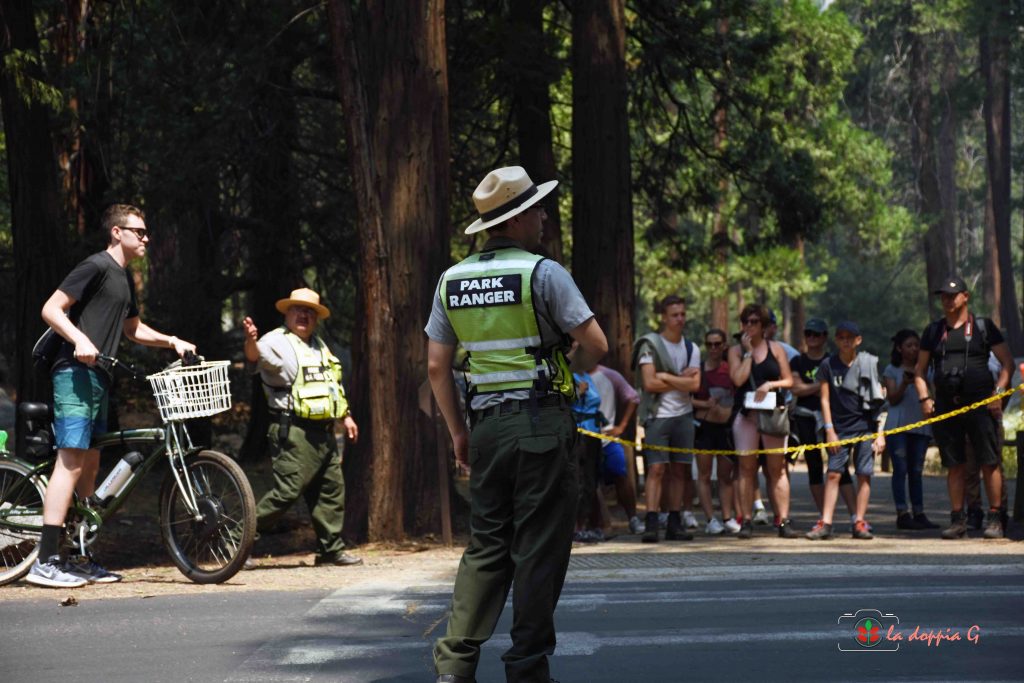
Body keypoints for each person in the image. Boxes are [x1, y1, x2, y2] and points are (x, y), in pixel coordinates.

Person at [425, 166, 607, 683]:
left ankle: (456, 663)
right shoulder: (543, 273)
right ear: (519, 218)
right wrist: (570, 359)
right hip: (541, 425)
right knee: (538, 549)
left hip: (484, 428)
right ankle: (526, 666)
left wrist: (459, 433)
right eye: (539, 208)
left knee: (486, 545)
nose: (545, 217)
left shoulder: (451, 280)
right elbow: (597, 345)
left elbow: (438, 367)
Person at [28, 204, 197, 588]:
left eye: (146, 231)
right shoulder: (96, 266)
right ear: (117, 233)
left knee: (89, 465)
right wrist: (80, 339)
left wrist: (171, 341)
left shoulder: (123, 279)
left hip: (100, 377)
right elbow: (51, 309)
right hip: (73, 372)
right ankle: (46, 561)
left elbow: (133, 330)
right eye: (139, 231)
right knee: (70, 461)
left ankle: (80, 556)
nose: (146, 238)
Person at [243, 288, 361, 567]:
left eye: (310, 311)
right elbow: (254, 356)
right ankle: (238, 542)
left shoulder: (320, 345)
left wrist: (345, 416)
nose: (304, 315)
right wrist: (250, 340)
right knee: (287, 491)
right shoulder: (275, 342)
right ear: (287, 313)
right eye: (298, 309)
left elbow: (331, 386)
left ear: (316, 318)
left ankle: (330, 549)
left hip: (324, 432)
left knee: (331, 490)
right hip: (293, 430)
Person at [916, 276, 1014, 540]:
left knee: (989, 462)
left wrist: (999, 394)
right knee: (955, 464)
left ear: (965, 296)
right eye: (944, 296)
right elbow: (919, 371)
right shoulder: (933, 331)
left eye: (953, 295)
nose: (948, 300)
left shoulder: (983, 327)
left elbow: (1007, 364)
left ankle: (995, 517)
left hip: (981, 405)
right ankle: (958, 519)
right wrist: (925, 398)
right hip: (948, 406)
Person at [805, 321, 885, 540]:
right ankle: (826, 522)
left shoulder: (867, 363)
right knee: (833, 474)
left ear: (858, 340)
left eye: (850, 337)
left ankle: (859, 521)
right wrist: (829, 429)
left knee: (864, 475)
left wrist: (879, 433)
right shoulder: (828, 365)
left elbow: (877, 400)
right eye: (841, 337)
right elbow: (824, 399)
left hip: (865, 427)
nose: (846, 341)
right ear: (836, 340)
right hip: (839, 428)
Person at [632, 295, 701, 543]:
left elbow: (695, 384)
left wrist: (667, 376)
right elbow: (649, 383)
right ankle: (652, 520)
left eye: (682, 314)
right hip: (658, 415)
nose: (680, 319)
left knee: (680, 470)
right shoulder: (649, 345)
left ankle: (675, 521)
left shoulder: (692, 348)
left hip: (684, 415)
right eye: (675, 315)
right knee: (657, 469)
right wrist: (681, 379)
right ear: (664, 317)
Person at [728, 303, 797, 539]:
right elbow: (737, 380)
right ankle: (746, 519)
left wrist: (770, 384)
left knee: (777, 469)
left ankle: (783, 520)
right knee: (746, 469)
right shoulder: (736, 351)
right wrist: (747, 353)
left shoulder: (776, 348)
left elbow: (789, 381)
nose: (749, 326)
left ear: (764, 325)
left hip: (772, 415)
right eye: (746, 322)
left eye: (754, 322)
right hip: (746, 415)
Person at [789, 319, 857, 520]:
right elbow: (795, 388)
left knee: (840, 466)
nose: (812, 338)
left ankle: (856, 516)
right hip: (804, 416)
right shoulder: (798, 361)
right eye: (808, 333)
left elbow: (842, 390)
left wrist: (811, 388)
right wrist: (822, 385)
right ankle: (824, 517)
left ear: (825, 337)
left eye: (816, 334)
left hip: (832, 418)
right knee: (814, 465)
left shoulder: (832, 361)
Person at [881, 329, 938, 530]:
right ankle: (902, 512)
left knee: (916, 470)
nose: (913, 349)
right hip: (898, 426)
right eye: (909, 345)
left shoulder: (926, 369)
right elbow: (892, 399)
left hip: (921, 424)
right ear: (899, 348)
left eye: (916, 345)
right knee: (901, 469)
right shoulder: (891, 370)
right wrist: (905, 383)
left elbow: (933, 393)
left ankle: (919, 512)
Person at [691, 328, 739, 534]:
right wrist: (704, 404)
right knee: (704, 474)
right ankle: (711, 519)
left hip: (727, 429)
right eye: (709, 344)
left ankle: (727, 517)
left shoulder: (731, 370)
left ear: (724, 345)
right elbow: (687, 399)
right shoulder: (697, 370)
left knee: (725, 475)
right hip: (704, 427)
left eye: (717, 344)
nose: (713, 348)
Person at [590, 363, 644, 534]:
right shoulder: (569, 374)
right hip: (583, 438)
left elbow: (633, 397)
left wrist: (622, 426)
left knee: (620, 474)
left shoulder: (609, 374)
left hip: (608, 437)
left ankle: (633, 518)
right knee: (589, 482)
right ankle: (598, 524)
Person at [571, 370, 605, 543]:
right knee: (579, 481)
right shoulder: (569, 373)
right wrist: (578, 392)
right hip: (579, 433)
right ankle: (576, 527)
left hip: (593, 434)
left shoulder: (585, 374)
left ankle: (588, 525)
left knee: (591, 481)